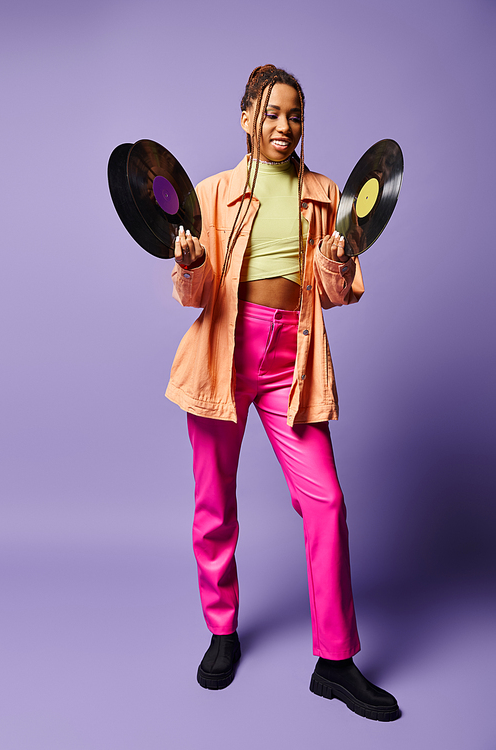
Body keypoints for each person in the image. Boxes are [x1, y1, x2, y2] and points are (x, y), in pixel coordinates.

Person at [165, 64, 400, 722]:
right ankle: (221, 631)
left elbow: (335, 292)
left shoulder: (326, 192)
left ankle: (334, 660)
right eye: (271, 114)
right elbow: (196, 293)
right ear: (246, 118)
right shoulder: (211, 193)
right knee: (215, 503)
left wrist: (340, 260)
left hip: (290, 357)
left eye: (294, 115)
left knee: (325, 501)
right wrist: (188, 264)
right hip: (223, 354)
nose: (284, 126)